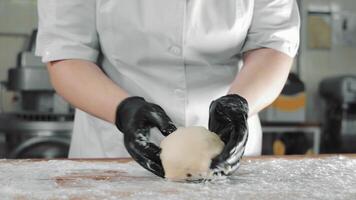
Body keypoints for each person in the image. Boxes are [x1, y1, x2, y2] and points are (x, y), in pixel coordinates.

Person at [36, 0, 300, 177]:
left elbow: (272, 45)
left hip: (228, 147)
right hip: (112, 149)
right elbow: (67, 54)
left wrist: (239, 104)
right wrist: (123, 110)